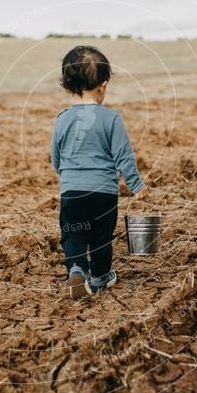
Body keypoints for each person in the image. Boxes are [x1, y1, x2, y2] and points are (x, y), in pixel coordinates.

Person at [50, 45, 148, 299]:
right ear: (103, 86)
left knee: (73, 233)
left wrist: (68, 177)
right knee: (101, 237)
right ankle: (101, 278)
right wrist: (136, 185)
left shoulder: (62, 119)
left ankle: (77, 270)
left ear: (67, 87)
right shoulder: (111, 119)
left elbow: (56, 157)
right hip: (104, 193)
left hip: (71, 192)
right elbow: (123, 156)